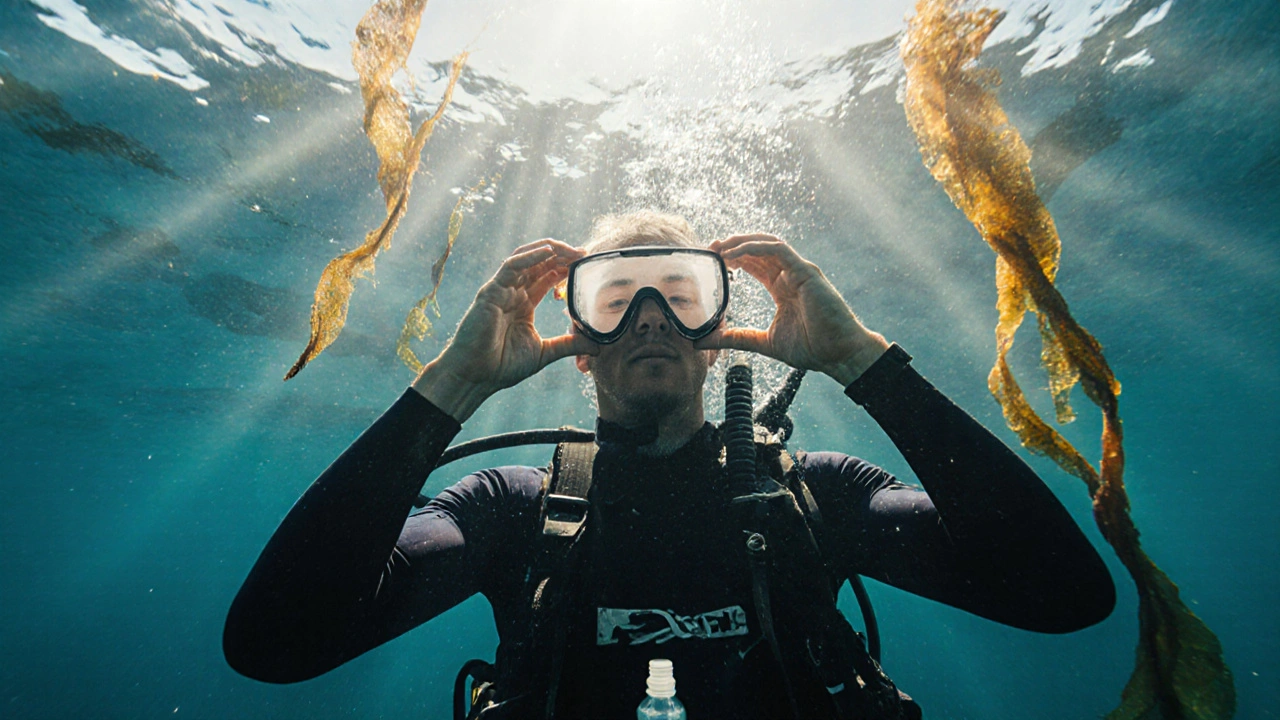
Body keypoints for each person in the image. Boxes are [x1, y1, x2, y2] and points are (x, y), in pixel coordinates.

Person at [223, 211, 1115, 719]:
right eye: (614, 300)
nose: (649, 316)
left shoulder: (815, 499)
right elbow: (275, 645)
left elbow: (1063, 597)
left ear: (718, 334)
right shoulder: (510, 510)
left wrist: (864, 363)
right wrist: (448, 387)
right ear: (577, 343)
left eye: (681, 296)